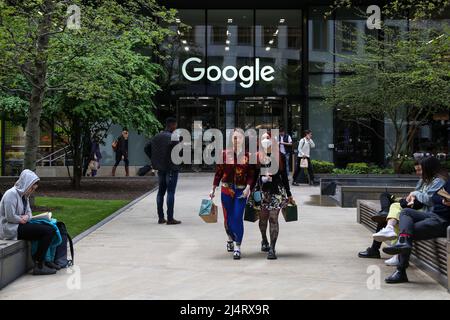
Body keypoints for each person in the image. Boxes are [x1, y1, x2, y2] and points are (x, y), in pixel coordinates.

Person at [358, 157, 447, 264]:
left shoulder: (439, 181)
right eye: (417, 170)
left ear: (429, 168)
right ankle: (386, 225)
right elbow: (417, 192)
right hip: (417, 206)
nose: (418, 173)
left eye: (421, 169)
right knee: (388, 204)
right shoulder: (424, 180)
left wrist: (414, 195)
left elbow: (430, 199)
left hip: (425, 211)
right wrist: (413, 196)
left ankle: (388, 247)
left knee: (395, 213)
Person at [383, 177, 450, 283]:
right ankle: (403, 241)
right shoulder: (448, 181)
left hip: (443, 222)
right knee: (405, 212)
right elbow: (435, 198)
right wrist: (443, 200)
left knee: (407, 231)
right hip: (433, 214)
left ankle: (401, 271)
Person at [210, 129, 255, 260]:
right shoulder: (224, 154)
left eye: (239, 138)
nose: (237, 140)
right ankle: (230, 237)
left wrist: (248, 187)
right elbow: (218, 172)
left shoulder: (248, 155)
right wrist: (213, 188)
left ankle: (237, 246)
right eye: (234, 138)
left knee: (237, 217)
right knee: (228, 219)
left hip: (241, 191)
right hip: (226, 190)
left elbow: (251, 174)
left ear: (243, 139)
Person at [0, 170, 57, 275]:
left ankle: (45, 261)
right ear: (26, 183)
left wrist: (24, 218)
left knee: (50, 228)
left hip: (20, 225)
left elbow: (29, 214)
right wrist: (21, 219)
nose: (32, 191)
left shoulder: (25, 196)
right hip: (10, 228)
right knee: (48, 231)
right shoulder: (11, 194)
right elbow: (10, 216)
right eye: (32, 188)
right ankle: (39, 264)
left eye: (34, 189)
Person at [256, 132, 294, 260]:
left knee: (273, 219)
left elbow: (284, 178)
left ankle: (272, 248)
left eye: (268, 138)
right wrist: (261, 180)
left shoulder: (280, 156)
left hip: (276, 192)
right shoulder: (256, 157)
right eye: (263, 139)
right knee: (262, 219)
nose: (265, 140)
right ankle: (264, 239)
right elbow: (253, 176)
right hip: (261, 192)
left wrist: (289, 195)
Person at [147, 117, 182, 225]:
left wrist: (154, 159)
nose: (176, 128)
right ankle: (170, 218)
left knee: (160, 192)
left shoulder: (156, 137)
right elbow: (178, 153)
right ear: (172, 125)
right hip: (171, 168)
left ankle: (161, 218)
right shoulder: (173, 137)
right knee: (170, 192)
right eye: (175, 125)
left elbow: (146, 148)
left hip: (160, 168)